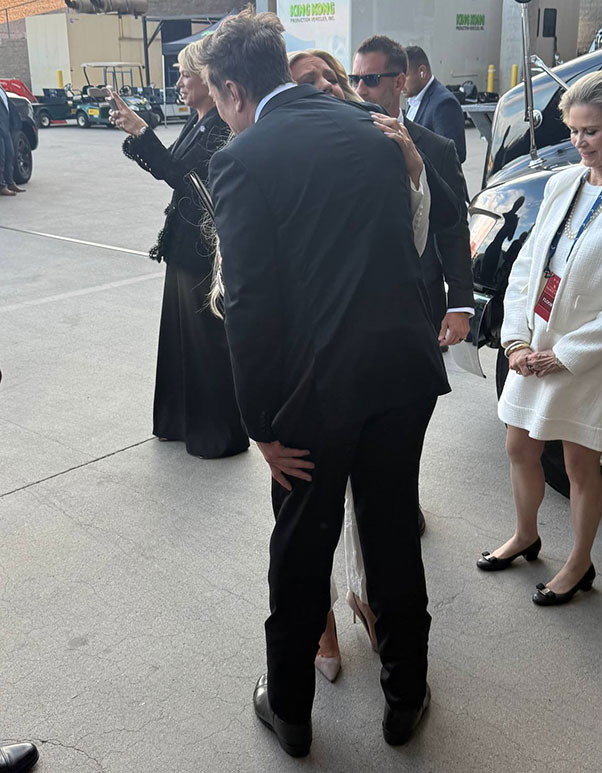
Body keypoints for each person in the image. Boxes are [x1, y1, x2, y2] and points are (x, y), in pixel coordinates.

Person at [201, 8, 450, 755]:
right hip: (401, 377)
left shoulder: (244, 158)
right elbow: (406, 244)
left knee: (302, 552)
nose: (218, 113)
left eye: (215, 99)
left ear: (234, 90)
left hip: (314, 396)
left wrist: (261, 426)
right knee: (393, 535)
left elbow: (250, 305)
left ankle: (292, 711)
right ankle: (405, 696)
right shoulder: (371, 127)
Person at [478, 71, 602, 605]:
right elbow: (526, 269)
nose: (578, 142)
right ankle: (525, 535)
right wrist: (516, 340)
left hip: (586, 357)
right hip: (535, 343)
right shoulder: (563, 183)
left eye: (590, 130)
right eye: (572, 130)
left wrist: (561, 357)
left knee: (578, 463)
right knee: (518, 445)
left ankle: (579, 563)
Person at [287, 47, 436, 684]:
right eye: (305, 81)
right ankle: (322, 639)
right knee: (308, 525)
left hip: (387, 370)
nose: (322, 87)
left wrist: (411, 168)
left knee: (387, 524)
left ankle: (398, 660)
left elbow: (423, 239)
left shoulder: (391, 145)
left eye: (330, 77)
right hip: (312, 380)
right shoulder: (277, 154)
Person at [108, 40, 248, 459]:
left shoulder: (221, 126)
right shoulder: (199, 120)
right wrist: (142, 136)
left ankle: (217, 433)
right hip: (184, 245)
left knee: (206, 344)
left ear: (208, 79)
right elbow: (173, 169)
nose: (180, 82)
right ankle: (180, 421)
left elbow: (183, 177)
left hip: (203, 249)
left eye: (186, 74)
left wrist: (140, 132)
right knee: (180, 341)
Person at [352, 36, 474, 347]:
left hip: (420, 299)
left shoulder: (437, 148)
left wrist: (459, 303)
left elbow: (454, 226)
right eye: (355, 79)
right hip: (357, 303)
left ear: (399, 82)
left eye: (371, 80)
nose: (360, 90)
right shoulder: (340, 146)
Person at [404, 45, 466, 164]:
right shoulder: (413, 99)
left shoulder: (444, 104)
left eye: (405, 76)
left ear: (422, 72)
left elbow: (454, 155)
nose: (400, 83)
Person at [0, 84, 25, 197]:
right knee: (1, 157)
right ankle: (1, 186)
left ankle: (10, 183)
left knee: (10, 154)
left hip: (6, 128)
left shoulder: (1, 88)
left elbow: (8, 105)